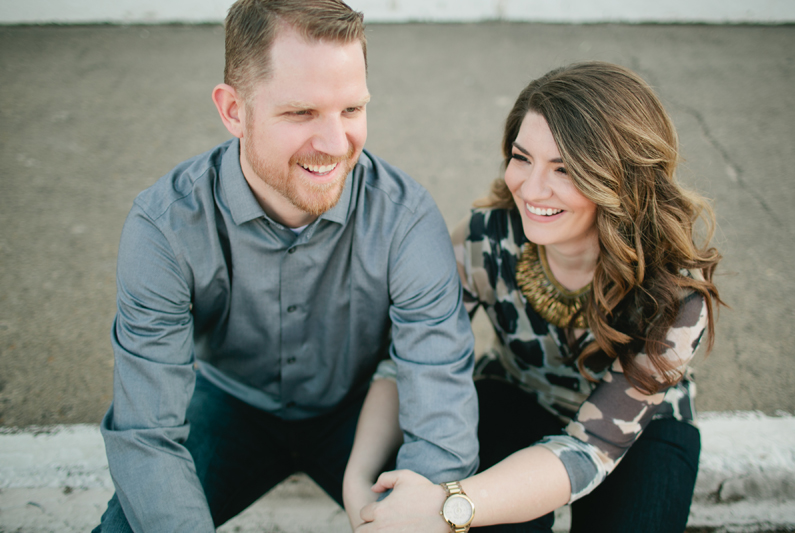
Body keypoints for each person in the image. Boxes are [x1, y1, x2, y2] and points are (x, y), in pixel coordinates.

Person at [93, 1, 479, 531]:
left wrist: (421, 510)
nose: (334, 144)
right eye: (301, 113)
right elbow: (145, 435)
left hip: (358, 413)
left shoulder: (407, 219)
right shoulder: (164, 228)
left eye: (351, 110)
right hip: (227, 406)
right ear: (233, 111)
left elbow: (441, 413)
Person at [344, 61, 723, 532]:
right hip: (516, 396)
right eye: (522, 158)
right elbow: (405, 360)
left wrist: (447, 505)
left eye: (565, 169)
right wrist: (357, 478)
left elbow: (591, 448)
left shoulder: (675, 292)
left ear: (620, 180)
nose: (530, 187)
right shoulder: (487, 241)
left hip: (640, 430)